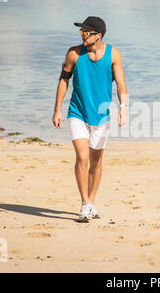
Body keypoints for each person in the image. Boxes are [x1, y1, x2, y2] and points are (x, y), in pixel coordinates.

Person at [52, 16, 128, 222]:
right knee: (82, 158)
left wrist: (123, 107)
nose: (82, 35)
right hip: (77, 112)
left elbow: (120, 84)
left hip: (102, 117)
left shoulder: (114, 54)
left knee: (96, 161)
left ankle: (92, 201)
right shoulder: (74, 54)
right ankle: (85, 203)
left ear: (98, 35)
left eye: (86, 32)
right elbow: (63, 80)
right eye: (81, 32)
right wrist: (57, 109)